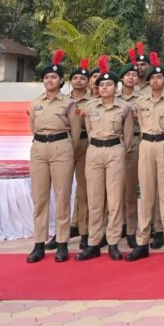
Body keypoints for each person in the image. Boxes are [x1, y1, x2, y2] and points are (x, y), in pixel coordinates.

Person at [26, 50, 83, 264]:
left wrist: (66, 149)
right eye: (46, 77)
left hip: (62, 147)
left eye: (53, 77)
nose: (49, 80)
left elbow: (76, 134)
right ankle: (39, 243)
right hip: (40, 147)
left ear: (61, 81)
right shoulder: (35, 103)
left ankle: (62, 242)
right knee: (39, 198)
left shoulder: (68, 104)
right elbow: (33, 127)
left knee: (62, 197)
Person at [76, 57, 134, 262]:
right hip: (94, 151)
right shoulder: (90, 107)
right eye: (101, 84)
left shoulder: (124, 108)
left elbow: (128, 137)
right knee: (95, 198)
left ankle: (113, 242)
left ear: (116, 87)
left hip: (114, 151)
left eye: (109, 84)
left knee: (115, 199)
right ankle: (93, 242)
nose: (105, 87)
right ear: (97, 87)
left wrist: (118, 150)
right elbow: (89, 131)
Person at [126, 52, 164, 262]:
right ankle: (142, 242)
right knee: (146, 195)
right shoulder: (139, 102)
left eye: (160, 78)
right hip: (146, 144)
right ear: (148, 81)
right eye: (153, 78)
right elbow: (136, 123)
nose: (156, 80)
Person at [68, 59, 95, 250]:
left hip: (86, 143)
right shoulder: (63, 101)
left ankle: (84, 230)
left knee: (84, 189)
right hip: (64, 144)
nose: (78, 81)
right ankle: (66, 230)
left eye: (82, 78)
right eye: (75, 78)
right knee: (62, 190)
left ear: (88, 82)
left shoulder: (93, 102)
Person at [117, 48, 142, 248]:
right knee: (115, 188)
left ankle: (132, 229)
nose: (131, 77)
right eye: (128, 74)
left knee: (131, 189)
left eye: (134, 74)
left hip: (135, 143)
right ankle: (118, 227)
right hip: (115, 145)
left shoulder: (142, 99)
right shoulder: (113, 98)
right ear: (122, 78)